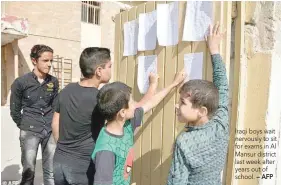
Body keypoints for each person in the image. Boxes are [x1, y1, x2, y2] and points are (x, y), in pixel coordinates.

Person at [52, 47, 158, 185]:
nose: (111, 69)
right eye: (109, 66)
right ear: (99, 71)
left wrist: (64, 148)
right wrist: (153, 85)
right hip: (82, 168)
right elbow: (137, 109)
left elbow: (55, 123)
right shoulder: (98, 99)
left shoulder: (67, 89)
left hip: (59, 162)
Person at [91, 70, 186, 185]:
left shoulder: (126, 125)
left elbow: (149, 103)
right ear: (122, 113)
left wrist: (173, 84)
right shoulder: (106, 150)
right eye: (132, 102)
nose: (136, 104)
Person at [166, 23, 229, 185]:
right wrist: (214, 50)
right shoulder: (221, 124)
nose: (177, 106)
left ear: (202, 110)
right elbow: (222, 87)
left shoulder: (184, 142)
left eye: (182, 102)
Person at [10, 44, 59, 185]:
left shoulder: (53, 82)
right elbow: (15, 110)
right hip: (30, 130)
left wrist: (54, 126)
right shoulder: (21, 83)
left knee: (50, 172)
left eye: (51, 60)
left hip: (49, 130)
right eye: (45, 60)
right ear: (34, 60)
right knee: (28, 171)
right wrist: (24, 125)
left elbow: (55, 107)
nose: (49, 64)